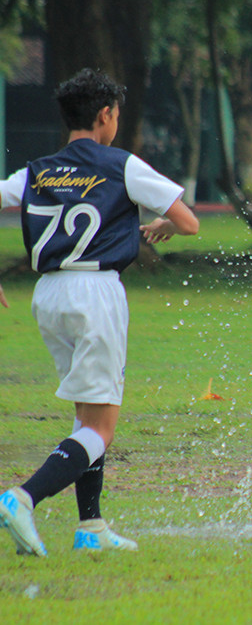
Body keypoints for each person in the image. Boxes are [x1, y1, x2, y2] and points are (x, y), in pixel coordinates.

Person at [0, 68, 199, 555]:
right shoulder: (120, 164)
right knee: (101, 428)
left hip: (48, 296)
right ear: (106, 115)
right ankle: (21, 498)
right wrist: (164, 223)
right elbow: (188, 221)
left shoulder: (36, 170)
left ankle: (91, 527)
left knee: (85, 415)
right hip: (96, 294)